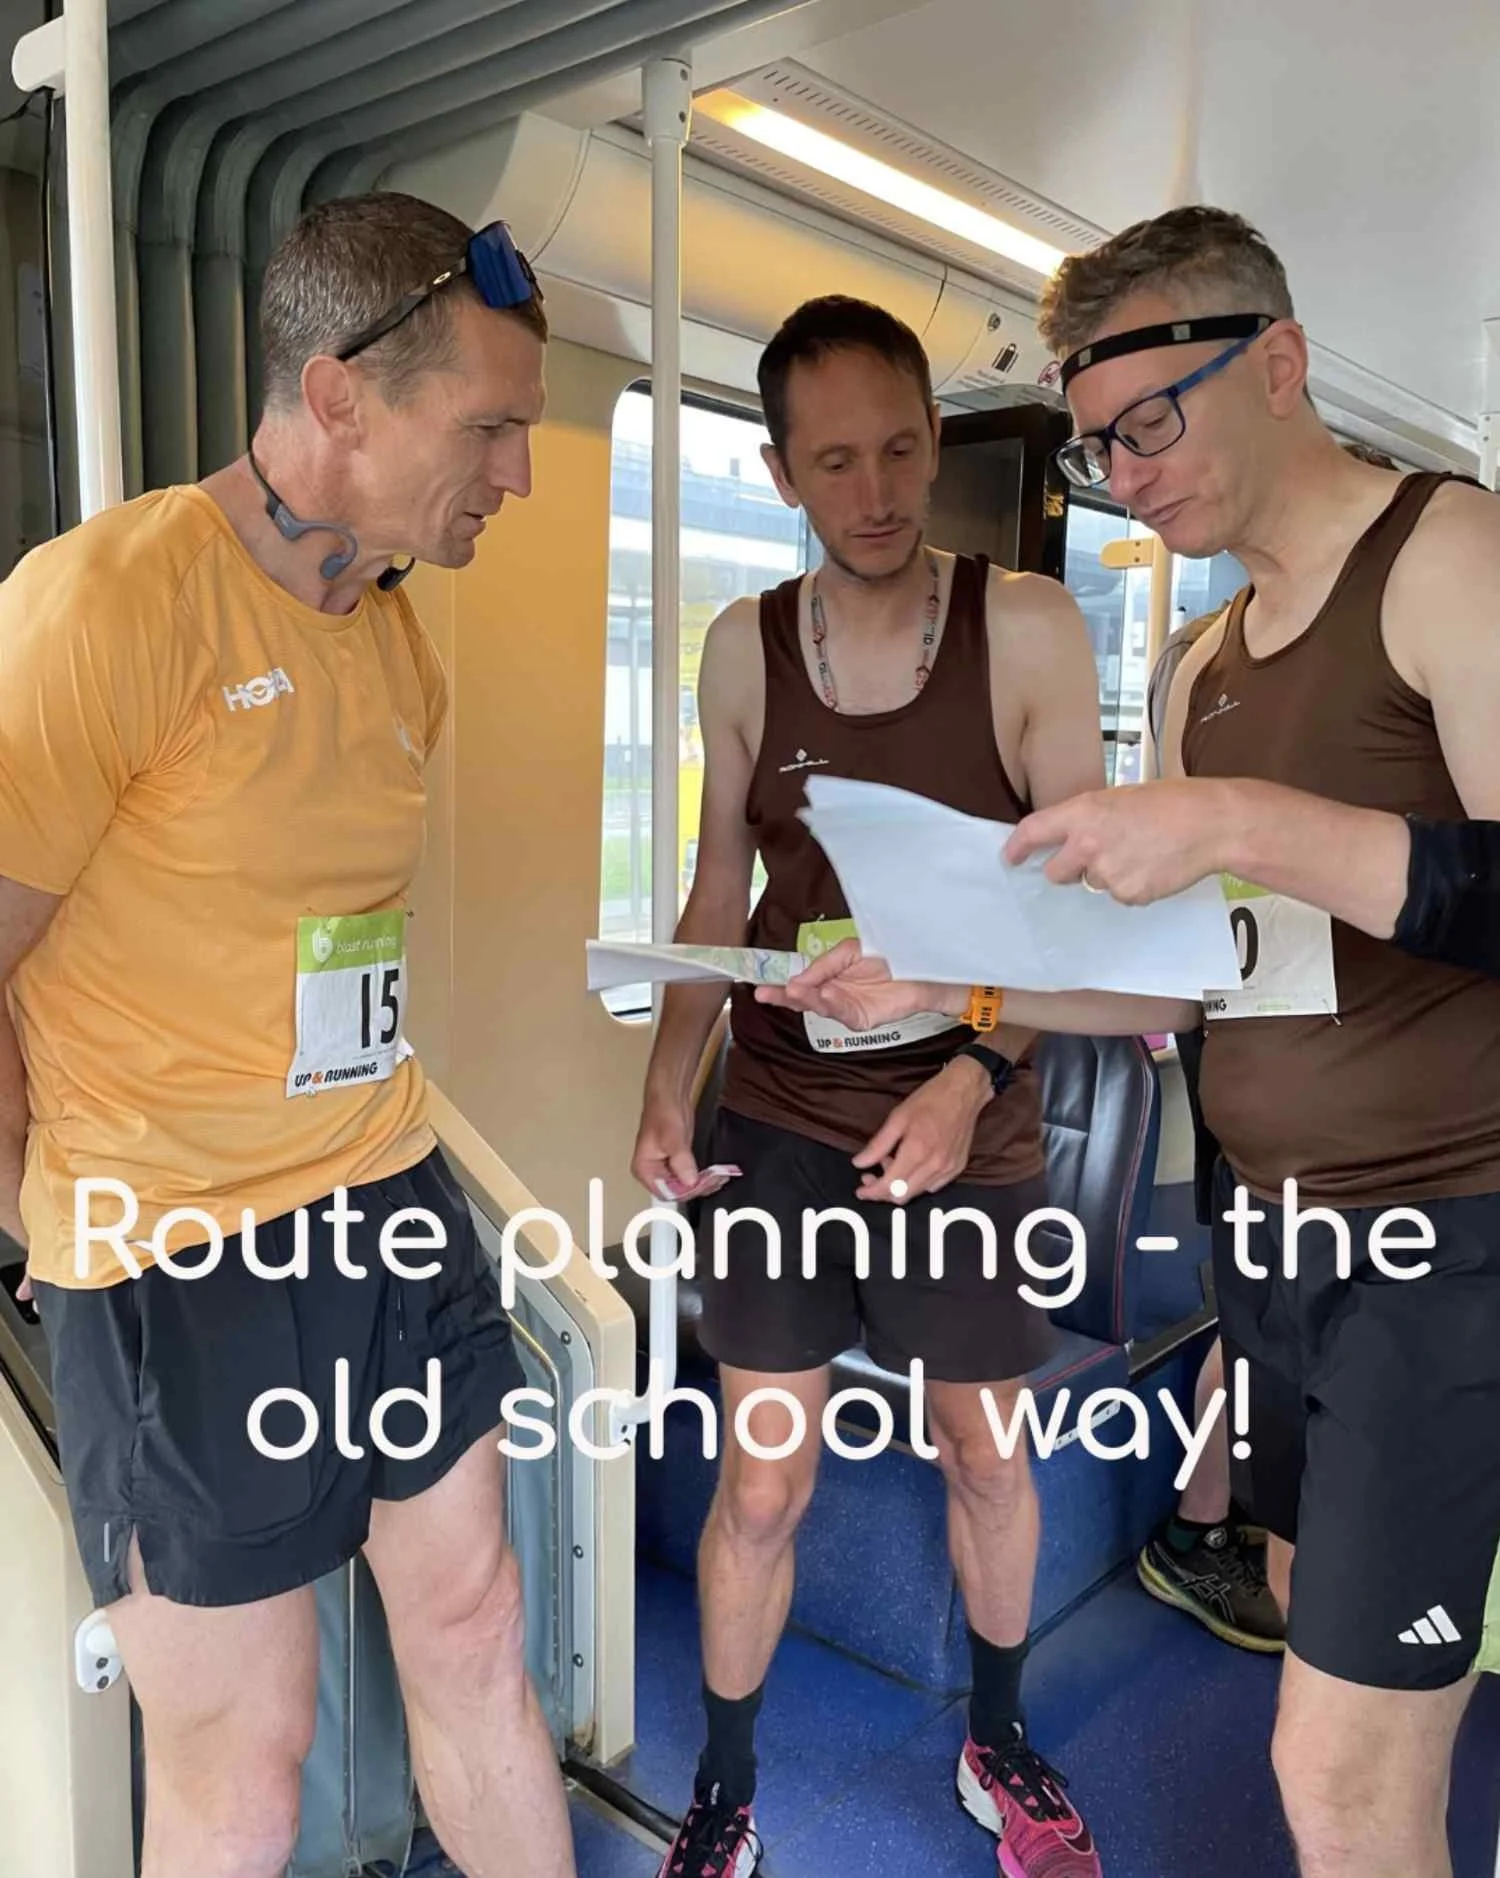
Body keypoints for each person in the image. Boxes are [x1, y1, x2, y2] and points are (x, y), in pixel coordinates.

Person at [758, 207, 1500, 1878]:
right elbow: (1182, 986)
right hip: (1277, 1241)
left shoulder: (1448, 557)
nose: (1127, 473)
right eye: (1100, 444)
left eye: (1151, 423)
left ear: (1280, 363)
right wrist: (939, 983)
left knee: (1342, 1768)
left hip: (1446, 1235)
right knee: (1305, 1610)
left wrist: (1242, 818)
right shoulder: (1199, 665)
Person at [0, 193, 576, 1878]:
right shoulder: (104, 607)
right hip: (174, 1245)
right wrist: (34, 1212)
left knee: (477, 1629)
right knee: (246, 1758)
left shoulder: (392, 635)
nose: (517, 475)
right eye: (489, 428)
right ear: (337, 398)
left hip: (384, 1192)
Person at [630, 294, 1107, 1878]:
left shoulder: (1028, 630)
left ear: (934, 436)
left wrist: (973, 1070)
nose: (879, 489)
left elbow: (1079, 920)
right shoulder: (743, 648)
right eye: (835, 461)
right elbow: (719, 892)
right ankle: (727, 1788)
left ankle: (999, 1735)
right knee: (764, 1476)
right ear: (780, 472)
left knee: (987, 1450)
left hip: (973, 1115)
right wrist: (667, 1080)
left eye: (902, 449)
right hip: (780, 1117)